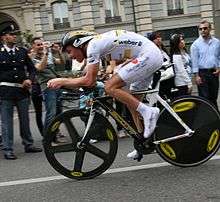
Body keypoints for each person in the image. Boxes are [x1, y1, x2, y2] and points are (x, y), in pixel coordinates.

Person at [47, 30, 163, 160]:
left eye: (69, 51)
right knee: (133, 104)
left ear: (78, 43)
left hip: (148, 56)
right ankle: (143, 143)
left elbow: (89, 81)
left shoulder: (93, 46)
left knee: (110, 87)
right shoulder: (98, 44)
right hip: (148, 55)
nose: (70, 56)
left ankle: (149, 112)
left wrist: (62, 81)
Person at [0, 21, 42, 160]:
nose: (14, 37)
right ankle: (8, 149)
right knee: (7, 122)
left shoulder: (22, 51)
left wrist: (30, 79)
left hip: (22, 91)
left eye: (14, 34)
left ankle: (28, 144)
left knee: (25, 120)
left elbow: (32, 69)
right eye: (11, 34)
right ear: (4, 37)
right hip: (5, 92)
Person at [31, 37, 65, 142]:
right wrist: (46, 53)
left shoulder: (49, 55)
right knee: (51, 113)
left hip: (57, 85)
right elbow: (40, 68)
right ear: (33, 46)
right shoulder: (32, 58)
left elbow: (62, 62)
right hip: (47, 88)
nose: (41, 46)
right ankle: (47, 139)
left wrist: (58, 51)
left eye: (42, 44)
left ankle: (54, 136)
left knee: (59, 112)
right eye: (38, 45)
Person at [190, 20, 220, 109]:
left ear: (210, 29)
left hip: (214, 73)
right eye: (200, 29)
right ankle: (208, 119)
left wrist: (219, 67)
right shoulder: (195, 45)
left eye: (205, 28)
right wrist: (196, 76)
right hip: (202, 73)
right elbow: (194, 61)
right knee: (205, 98)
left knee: (213, 97)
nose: (203, 30)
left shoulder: (217, 42)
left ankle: (216, 118)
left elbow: (218, 56)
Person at [147, 31, 174, 100]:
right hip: (160, 78)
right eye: (156, 38)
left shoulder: (163, 50)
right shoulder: (152, 51)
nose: (159, 39)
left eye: (159, 37)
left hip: (168, 76)